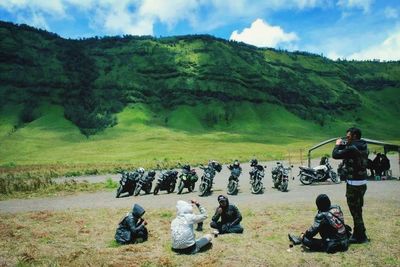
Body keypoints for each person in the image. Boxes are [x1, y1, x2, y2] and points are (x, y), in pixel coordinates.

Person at [332, 127, 369, 243]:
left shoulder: (352, 148)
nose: (347, 138)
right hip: (362, 182)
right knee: (358, 210)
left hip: (354, 183)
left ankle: (361, 236)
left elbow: (335, 154)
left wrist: (338, 144)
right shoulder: (363, 145)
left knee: (355, 211)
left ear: (354, 136)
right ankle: (357, 234)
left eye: (348, 136)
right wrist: (346, 143)